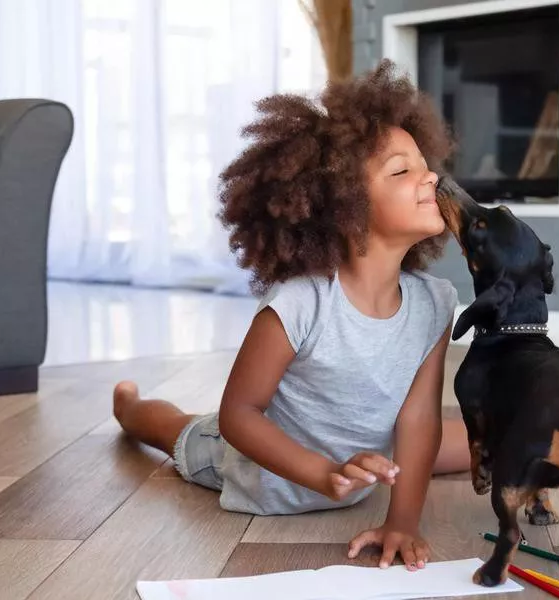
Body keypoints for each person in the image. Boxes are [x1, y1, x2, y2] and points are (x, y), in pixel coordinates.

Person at [112, 59, 470, 572]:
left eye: (424, 163)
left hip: (361, 463)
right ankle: (128, 403)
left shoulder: (434, 302)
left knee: (465, 441)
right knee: (172, 428)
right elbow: (239, 415)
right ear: (345, 207)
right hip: (259, 473)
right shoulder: (301, 302)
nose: (430, 176)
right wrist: (323, 473)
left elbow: (417, 419)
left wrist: (403, 523)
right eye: (402, 170)